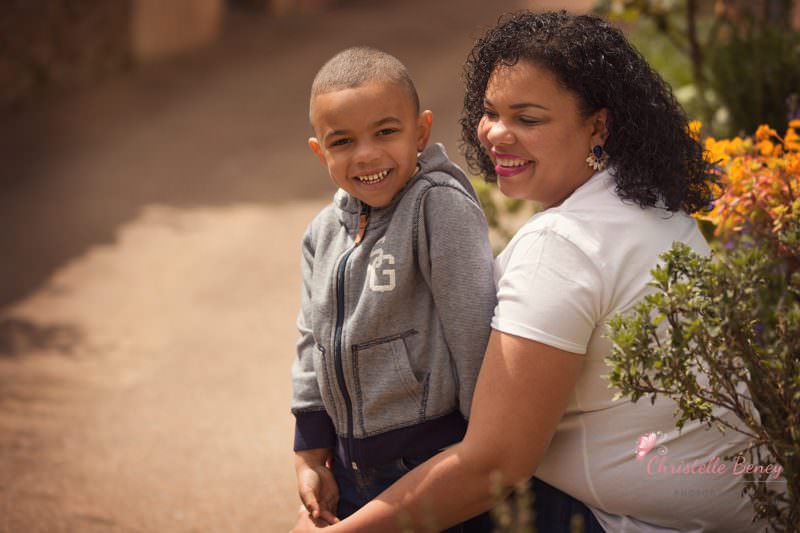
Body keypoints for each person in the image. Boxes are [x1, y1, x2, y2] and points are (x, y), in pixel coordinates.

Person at [292, 11, 766, 533]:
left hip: (628, 522)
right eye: (491, 111)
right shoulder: (654, 208)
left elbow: (492, 465)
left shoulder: (562, 245)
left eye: (528, 118)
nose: (496, 133)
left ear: (598, 126)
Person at [291, 47, 496, 531]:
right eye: (342, 142)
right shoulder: (323, 232)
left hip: (429, 463)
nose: (366, 154)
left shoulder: (436, 207)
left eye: (386, 132)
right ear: (321, 151)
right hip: (348, 465)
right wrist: (309, 455)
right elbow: (310, 341)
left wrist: (478, 453)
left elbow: (474, 332)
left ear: (421, 131)